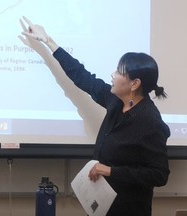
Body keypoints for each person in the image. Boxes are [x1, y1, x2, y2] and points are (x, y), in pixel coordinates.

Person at [19, 16, 170, 216]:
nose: (113, 75)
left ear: (134, 84)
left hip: (130, 208)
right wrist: (48, 41)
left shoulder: (150, 122)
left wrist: (110, 171)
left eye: (119, 72)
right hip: (103, 205)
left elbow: (159, 175)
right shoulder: (116, 101)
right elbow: (82, 77)